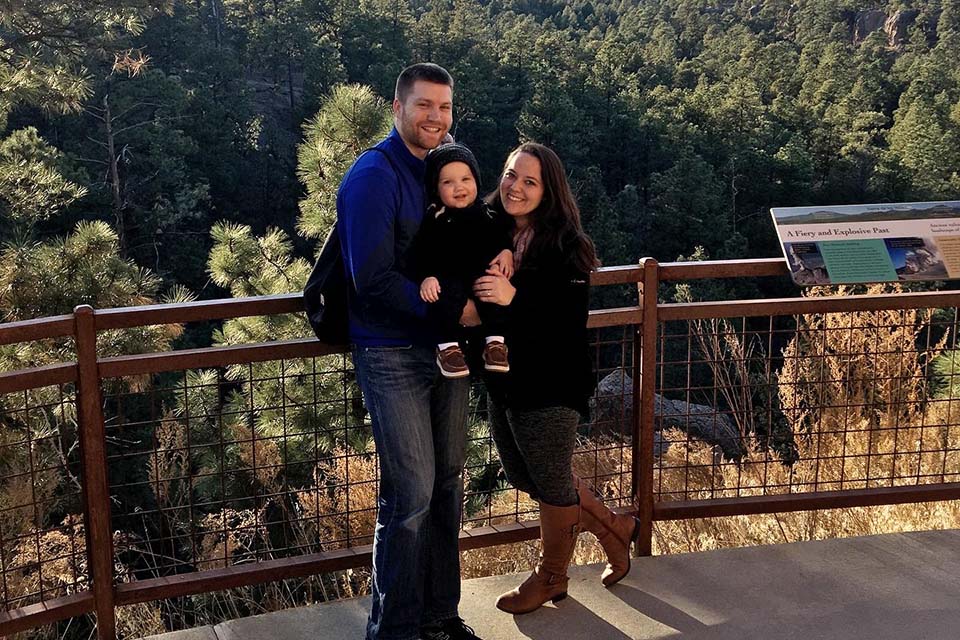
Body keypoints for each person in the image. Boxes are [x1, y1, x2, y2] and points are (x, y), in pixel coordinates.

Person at [336, 63, 482, 640]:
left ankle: (440, 616)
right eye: (424, 106)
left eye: (444, 108)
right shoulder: (373, 177)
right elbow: (368, 279)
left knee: (447, 483)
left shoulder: (441, 172)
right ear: (396, 108)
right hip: (392, 352)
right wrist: (450, 312)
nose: (435, 118)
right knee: (412, 495)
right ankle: (393, 630)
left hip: (448, 352)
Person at [473, 142, 641, 615]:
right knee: (525, 473)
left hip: (550, 382)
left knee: (550, 481)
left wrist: (513, 298)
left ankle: (552, 578)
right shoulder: (491, 227)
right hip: (503, 377)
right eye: (510, 175)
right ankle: (614, 528)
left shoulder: (567, 245)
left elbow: (565, 322)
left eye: (530, 181)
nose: (516, 187)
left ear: (549, 191)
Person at [415, 142, 514, 378]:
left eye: (465, 179)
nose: (458, 187)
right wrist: (426, 277)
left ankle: (495, 344)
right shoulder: (435, 218)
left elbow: (503, 235)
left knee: (492, 290)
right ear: (436, 188)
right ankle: (447, 348)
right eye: (447, 182)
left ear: (476, 182)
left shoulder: (486, 213)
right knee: (444, 300)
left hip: (479, 276)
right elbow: (422, 251)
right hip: (448, 279)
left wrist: (507, 252)